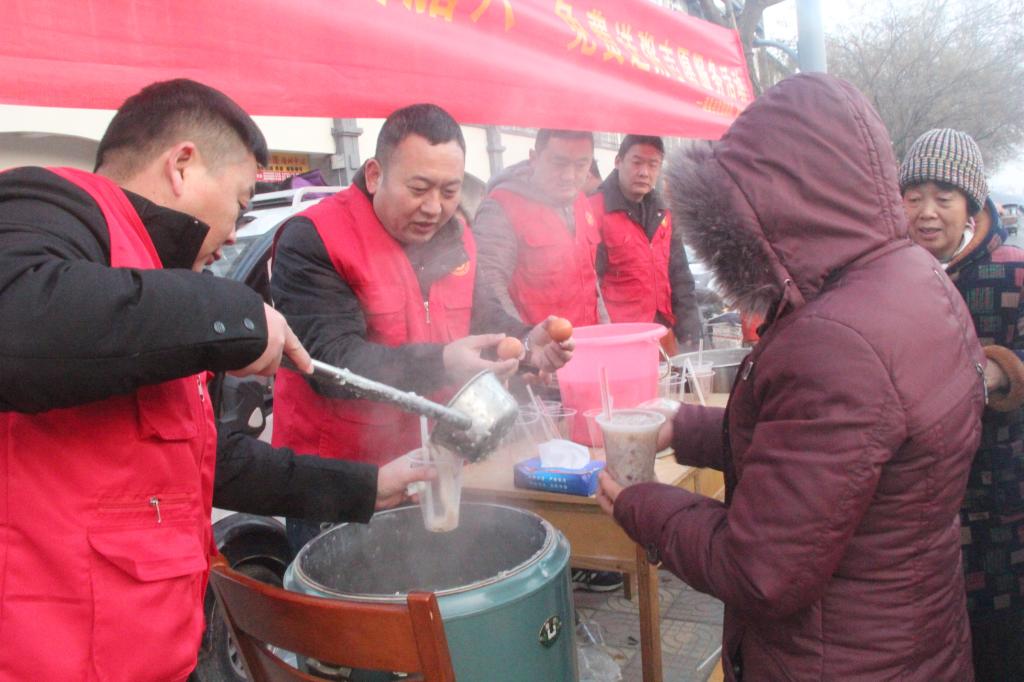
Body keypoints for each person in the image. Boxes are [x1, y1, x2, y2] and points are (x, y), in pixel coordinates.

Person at [0, 79, 431, 682]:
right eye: (239, 202)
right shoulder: (48, 204)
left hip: (150, 653)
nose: (233, 233)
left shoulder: (155, 295)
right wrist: (237, 315)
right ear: (182, 166)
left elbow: (210, 463)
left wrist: (366, 487)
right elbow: (18, 323)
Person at [597, 74, 984, 680]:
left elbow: (761, 570)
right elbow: (826, 457)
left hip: (838, 657)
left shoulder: (836, 338)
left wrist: (643, 505)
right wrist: (686, 427)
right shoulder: (914, 277)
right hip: (910, 635)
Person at [270, 104, 572, 552]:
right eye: (418, 189)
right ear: (375, 175)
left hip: (433, 468)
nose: (434, 208)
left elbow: (482, 317)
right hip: (342, 482)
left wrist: (527, 343)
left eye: (450, 191)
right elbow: (331, 363)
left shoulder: (458, 235)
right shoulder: (316, 238)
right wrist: (444, 362)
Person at [900, 128, 1024, 681]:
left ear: (970, 205)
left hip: (998, 499)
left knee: (999, 643)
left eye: (943, 197)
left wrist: (996, 372)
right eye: (913, 196)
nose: (926, 212)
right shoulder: (891, 273)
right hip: (920, 501)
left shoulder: (1013, 270)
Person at [472, 128, 602, 332]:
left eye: (580, 165)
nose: (569, 176)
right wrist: (525, 340)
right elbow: (489, 289)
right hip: (539, 347)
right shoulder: (501, 207)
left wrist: (607, 330)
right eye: (559, 163)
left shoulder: (581, 203)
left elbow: (591, 281)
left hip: (589, 341)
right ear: (534, 158)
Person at [590, 135, 703, 351]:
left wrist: (689, 328)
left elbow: (679, 274)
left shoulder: (664, 212)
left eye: (653, 165)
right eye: (637, 162)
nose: (644, 172)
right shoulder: (595, 211)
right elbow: (590, 285)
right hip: (620, 337)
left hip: (662, 332)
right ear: (618, 161)